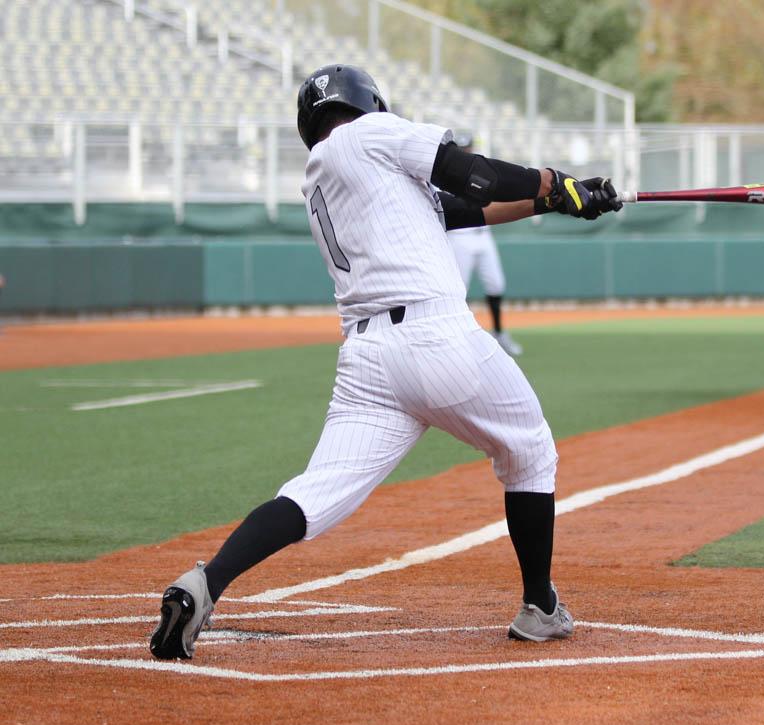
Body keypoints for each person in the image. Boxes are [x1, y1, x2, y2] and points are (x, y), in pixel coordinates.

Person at [149, 64, 622, 660]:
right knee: (529, 449)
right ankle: (539, 607)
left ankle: (204, 583)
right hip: (436, 336)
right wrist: (554, 181)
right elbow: (469, 173)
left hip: (368, 363)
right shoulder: (371, 134)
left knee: (312, 495)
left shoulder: (327, 177)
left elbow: (462, 210)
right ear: (367, 102)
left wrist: (553, 202)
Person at [447, 131, 523, 357]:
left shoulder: (479, 170)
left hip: (483, 235)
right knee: (459, 290)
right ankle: (458, 337)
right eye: (462, 150)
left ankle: (499, 333)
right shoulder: (447, 174)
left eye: (468, 148)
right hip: (460, 236)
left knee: (496, 284)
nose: (466, 152)